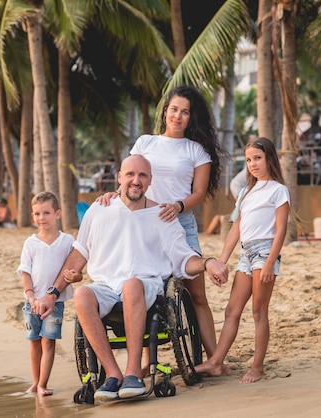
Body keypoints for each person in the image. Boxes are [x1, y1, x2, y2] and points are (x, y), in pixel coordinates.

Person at [35, 155, 228, 402]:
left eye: (142, 176)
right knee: (83, 294)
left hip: (146, 285)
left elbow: (184, 259)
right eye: (130, 175)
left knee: (132, 285)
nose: (135, 180)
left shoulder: (162, 215)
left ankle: (133, 372)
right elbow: (79, 254)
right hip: (107, 285)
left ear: (149, 181)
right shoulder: (99, 210)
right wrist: (52, 293)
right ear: (119, 178)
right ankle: (113, 374)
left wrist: (209, 262)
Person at [97, 86, 225, 362]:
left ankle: (215, 359)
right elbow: (132, 177)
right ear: (165, 111)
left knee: (197, 294)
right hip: (146, 225)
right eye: (174, 109)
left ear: (192, 118)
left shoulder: (197, 150)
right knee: (146, 287)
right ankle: (145, 360)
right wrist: (113, 194)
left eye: (185, 112)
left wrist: (177, 206)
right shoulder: (145, 143)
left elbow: (199, 193)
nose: (178, 116)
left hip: (182, 223)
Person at [195, 137, 291, 384]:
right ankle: (216, 362)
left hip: (264, 253)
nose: (252, 164)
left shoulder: (278, 190)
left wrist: (270, 262)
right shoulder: (247, 192)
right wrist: (222, 261)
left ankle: (257, 368)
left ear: (269, 158)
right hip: (246, 255)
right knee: (232, 310)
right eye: (248, 160)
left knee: (259, 311)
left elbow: (281, 230)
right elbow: (236, 229)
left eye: (257, 158)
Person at [17, 191, 80, 396]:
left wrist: (75, 278)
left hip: (56, 301)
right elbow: (25, 272)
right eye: (36, 214)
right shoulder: (31, 242)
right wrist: (30, 297)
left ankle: (43, 384)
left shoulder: (67, 240)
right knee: (34, 342)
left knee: (48, 340)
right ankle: (35, 383)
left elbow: (76, 272)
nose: (41, 218)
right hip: (31, 302)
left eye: (46, 213)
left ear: (58, 213)